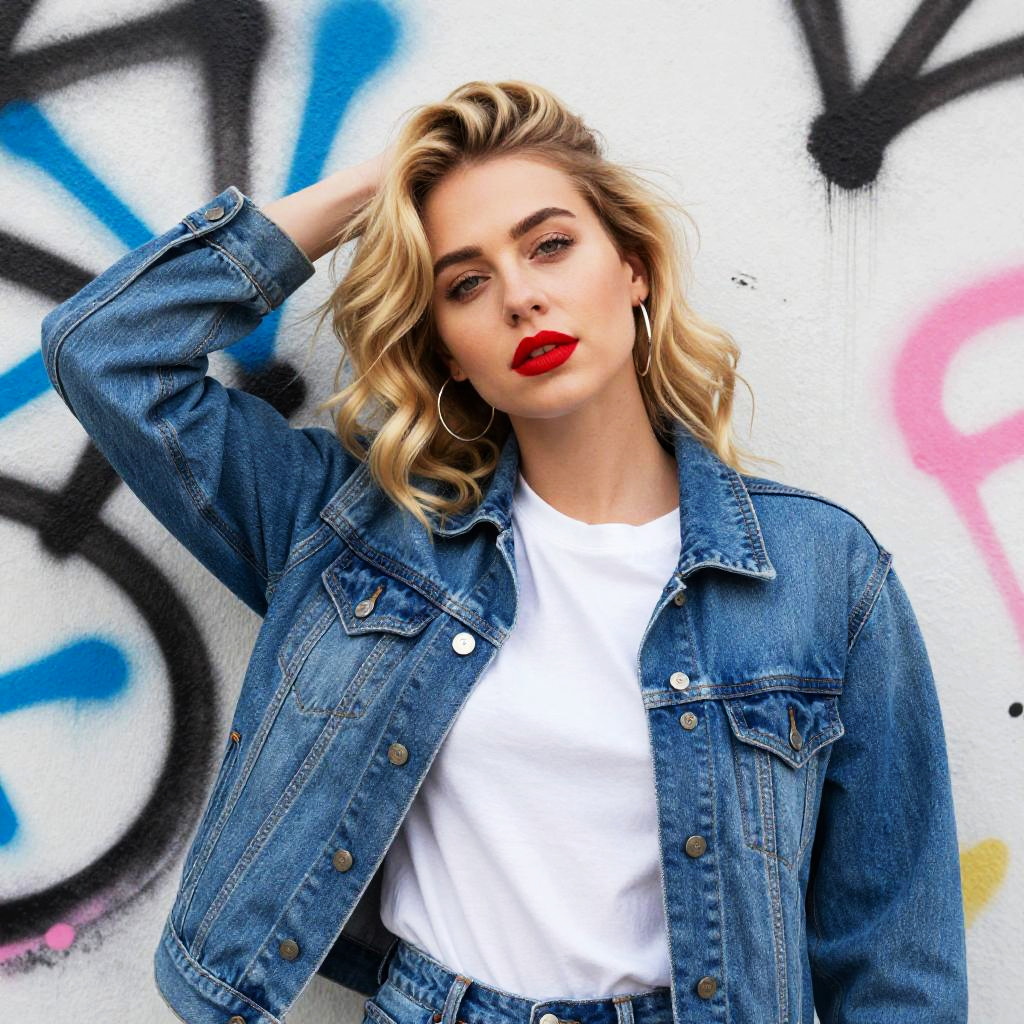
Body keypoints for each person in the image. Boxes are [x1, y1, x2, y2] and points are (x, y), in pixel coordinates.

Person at [40, 80, 967, 1024]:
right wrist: (385, 185)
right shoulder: (358, 535)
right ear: (447, 349)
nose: (521, 297)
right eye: (466, 282)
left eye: (551, 245)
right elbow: (105, 350)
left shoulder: (822, 575)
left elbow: (894, 957)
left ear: (634, 267)